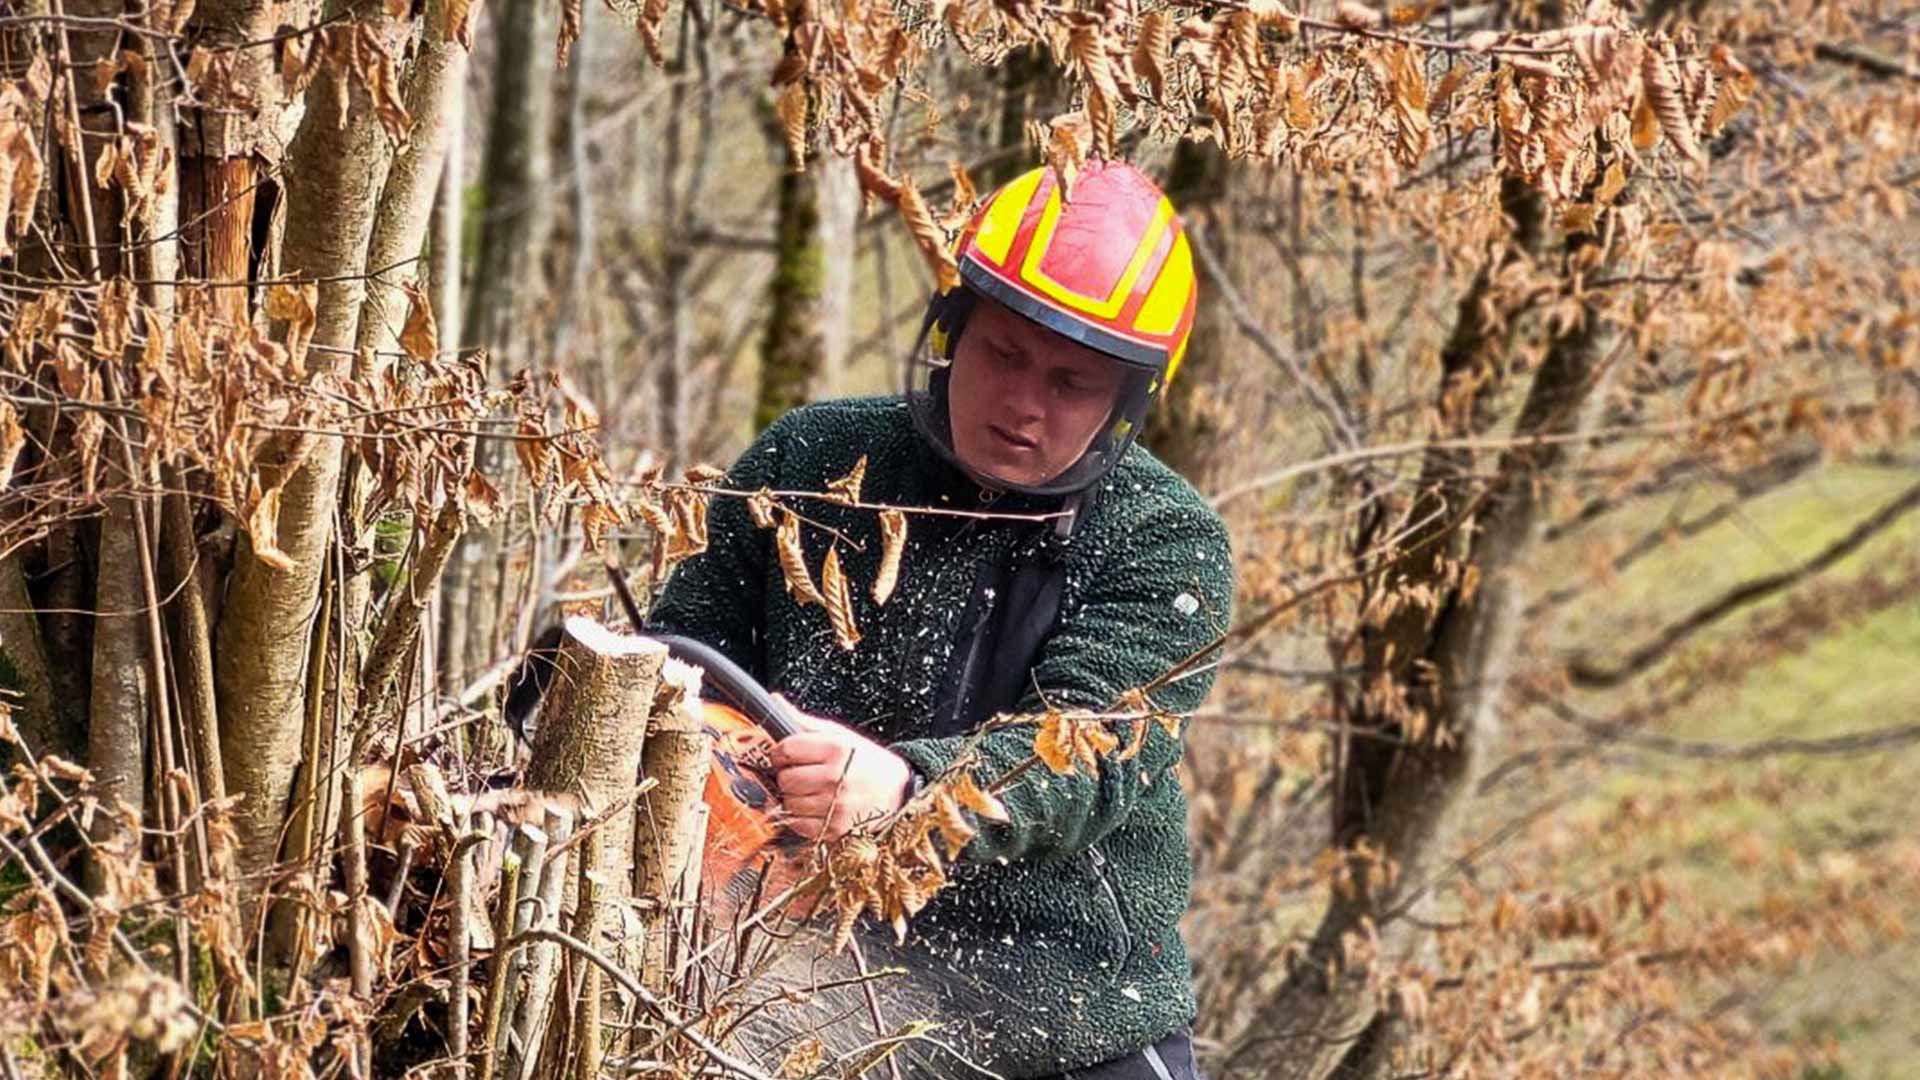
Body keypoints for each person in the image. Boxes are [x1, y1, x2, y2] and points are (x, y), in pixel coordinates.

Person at [647, 160, 1233, 1080]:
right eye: (1004, 355)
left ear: (1124, 402)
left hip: (1062, 998)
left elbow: (1086, 755)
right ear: (953, 333)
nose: (1026, 403)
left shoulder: (1166, 541)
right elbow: (685, 654)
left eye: (1072, 383)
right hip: (793, 960)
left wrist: (907, 792)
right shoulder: (815, 458)